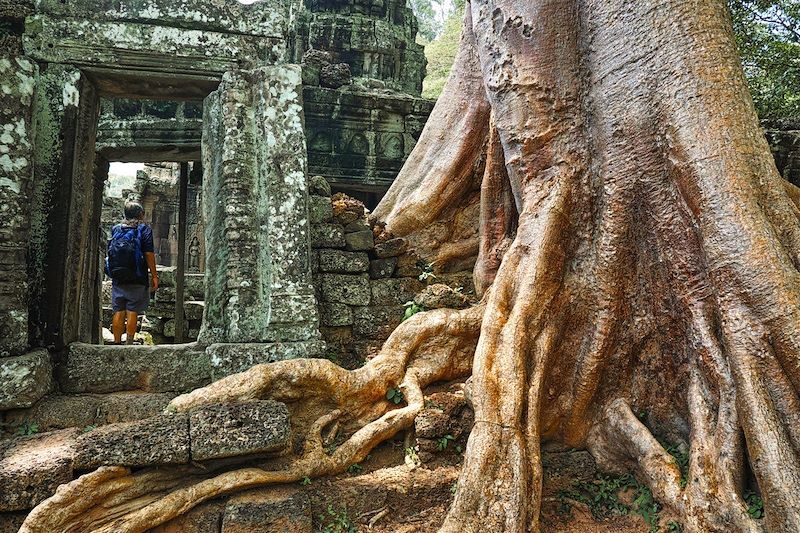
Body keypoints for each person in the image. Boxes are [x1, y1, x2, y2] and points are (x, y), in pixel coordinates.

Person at [107, 201, 158, 344]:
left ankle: (116, 343)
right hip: (137, 276)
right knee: (132, 310)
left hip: (118, 276)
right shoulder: (144, 230)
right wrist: (154, 275)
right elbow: (149, 254)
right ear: (140, 214)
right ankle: (128, 343)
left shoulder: (116, 229)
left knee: (118, 310)